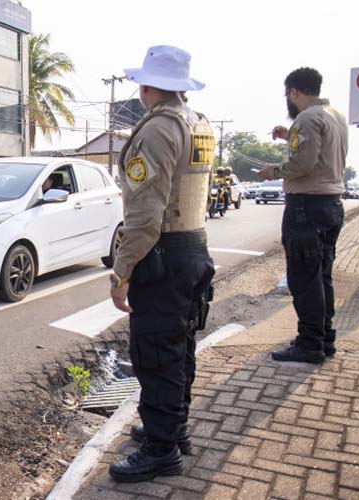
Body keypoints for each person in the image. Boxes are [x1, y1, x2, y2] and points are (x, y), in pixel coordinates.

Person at [108, 45, 216, 483]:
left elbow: (144, 212)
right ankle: (173, 429)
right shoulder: (198, 121)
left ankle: (162, 449)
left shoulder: (158, 129)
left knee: (156, 354)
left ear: (148, 85)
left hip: (163, 252)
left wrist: (122, 271)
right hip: (193, 246)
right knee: (179, 348)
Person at [257, 67, 348, 364]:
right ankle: (324, 337)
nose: (288, 99)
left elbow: (302, 165)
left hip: (306, 208)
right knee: (322, 276)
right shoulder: (335, 115)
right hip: (330, 204)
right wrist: (289, 138)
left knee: (304, 279)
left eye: (287, 94)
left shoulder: (306, 118)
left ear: (294, 92)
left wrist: (272, 171)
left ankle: (310, 345)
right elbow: (319, 154)